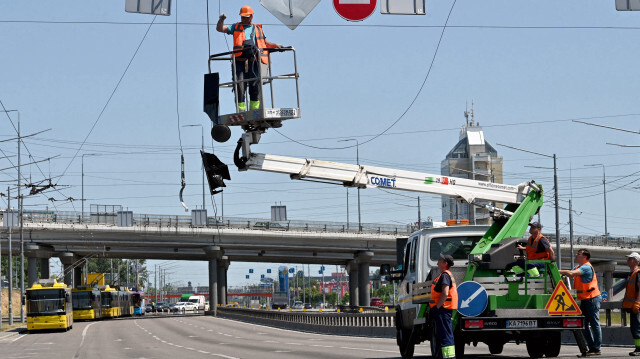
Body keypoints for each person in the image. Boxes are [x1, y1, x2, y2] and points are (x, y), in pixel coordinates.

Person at [216, 5, 282, 111]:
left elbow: (265, 44)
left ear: (251, 16)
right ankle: (241, 111)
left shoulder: (257, 29)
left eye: (247, 17)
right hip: (239, 62)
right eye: (243, 17)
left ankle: (254, 111)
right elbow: (220, 29)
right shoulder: (235, 27)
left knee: (255, 86)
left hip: (254, 61)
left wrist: (276, 46)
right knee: (240, 86)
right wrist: (221, 20)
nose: (244, 19)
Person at [559, 249, 602, 357]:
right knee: (583, 325)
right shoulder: (578, 267)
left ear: (585, 257)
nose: (576, 255)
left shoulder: (586, 267)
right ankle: (592, 347)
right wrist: (563, 274)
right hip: (584, 299)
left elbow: (571, 273)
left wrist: (557, 271)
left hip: (592, 298)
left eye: (579, 254)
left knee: (594, 324)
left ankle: (596, 348)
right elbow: (569, 274)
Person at [429, 254, 458, 359]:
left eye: (440, 259)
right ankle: (447, 356)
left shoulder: (445, 275)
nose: (438, 261)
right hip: (444, 309)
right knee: (445, 334)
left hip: (443, 309)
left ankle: (449, 357)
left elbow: (445, 293)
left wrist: (437, 307)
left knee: (446, 335)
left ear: (445, 263)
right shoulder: (445, 275)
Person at [623, 252, 640, 356]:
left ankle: (639, 349)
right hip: (632, 305)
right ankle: (637, 348)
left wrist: (637, 303)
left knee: (637, 327)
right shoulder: (631, 273)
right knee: (634, 327)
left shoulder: (638, 273)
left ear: (636, 261)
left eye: (631, 259)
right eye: (628, 258)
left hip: (637, 305)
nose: (628, 260)